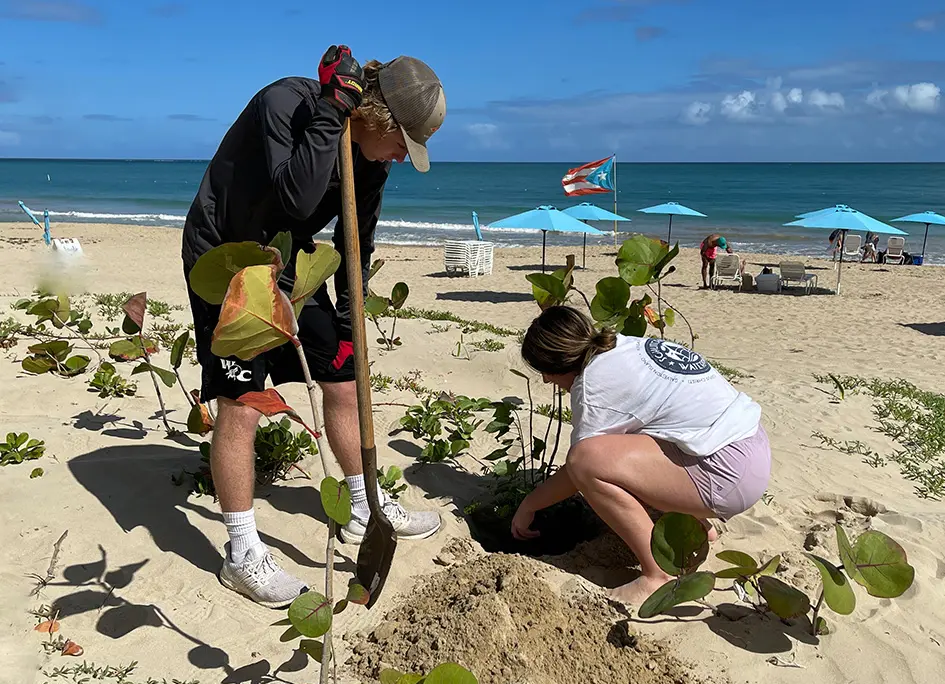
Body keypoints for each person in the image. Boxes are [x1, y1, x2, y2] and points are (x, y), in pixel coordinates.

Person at [181, 46, 447, 607]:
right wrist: (331, 115)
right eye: (402, 143)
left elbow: (356, 244)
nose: (401, 158)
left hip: (289, 258)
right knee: (244, 401)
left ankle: (363, 504)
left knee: (343, 378)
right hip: (227, 257)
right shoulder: (289, 105)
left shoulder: (370, 162)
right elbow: (296, 197)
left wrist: (352, 324)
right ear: (377, 119)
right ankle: (241, 550)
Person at [511, 306, 771, 605]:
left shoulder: (593, 387)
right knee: (634, 435)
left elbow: (577, 470)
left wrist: (529, 505)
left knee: (587, 460)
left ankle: (657, 574)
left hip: (726, 476)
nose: (545, 381)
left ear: (557, 365)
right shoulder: (625, 346)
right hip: (752, 447)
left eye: (544, 372)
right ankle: (697, 526)